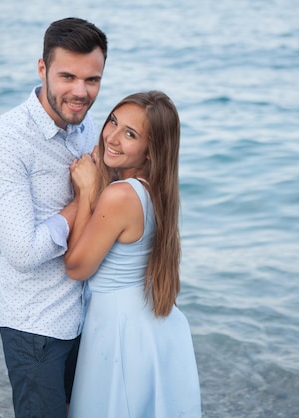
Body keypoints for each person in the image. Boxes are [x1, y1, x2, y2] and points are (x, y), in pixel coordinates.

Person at [0, 17, 108, 418]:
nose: (80, 92)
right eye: (67, 76)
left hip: (88, 316)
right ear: (42, 68)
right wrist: (82, 198)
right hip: (36, 324)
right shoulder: (6, 139)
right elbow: (24, 251)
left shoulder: (91, 131)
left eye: (93, 80)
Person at [64, 91, 202, 417]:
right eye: (113, 121)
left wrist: (85, 192)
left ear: (150, 151)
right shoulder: (157, 191)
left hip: (119, 329)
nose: (112, 136)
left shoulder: (121, 195)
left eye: (130, 134)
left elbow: (76, 266)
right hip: (154, 325)